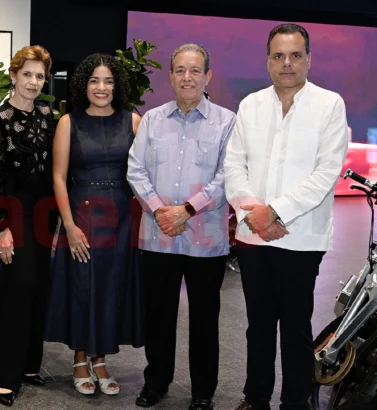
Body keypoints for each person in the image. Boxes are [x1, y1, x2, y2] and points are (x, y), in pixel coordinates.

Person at [223, 24, 349, 410]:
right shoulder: (251, 105)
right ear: (268, 61)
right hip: (253, 235)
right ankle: (255, 398)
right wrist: (255, 214)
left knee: (295, 326)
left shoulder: (329, 105)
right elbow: (234, 165)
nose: (287, 63)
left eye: (295, 55)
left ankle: (296, 401)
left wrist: (275, 212)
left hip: (302, 237)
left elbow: (326, 173)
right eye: (278, 56)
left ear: (308, 59)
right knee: (259, 324)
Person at [127, 43, 236, 410]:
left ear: (208, 76)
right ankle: (156, 382)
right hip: (158, 234)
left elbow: (228, 175)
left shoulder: (227, 122)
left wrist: (187, 210)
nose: (187, 77)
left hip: (206, 238)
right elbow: (135, 169)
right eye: (180, 70)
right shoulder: (152, 120)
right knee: (158, 315)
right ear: (171, 76)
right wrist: (161, 211)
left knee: (205, 318)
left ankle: (203, 392)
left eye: (195, 70)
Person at [45, 53, 143, 397]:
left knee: (110, 288)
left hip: (121, 218)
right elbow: (59, 178)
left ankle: (100, 360)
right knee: (82, 286)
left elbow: (143, 173)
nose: (102, 87)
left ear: (117, 86)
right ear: (83, 85)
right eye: (94, 80)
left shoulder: (133, 121)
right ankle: (79, 359)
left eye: (109, 81)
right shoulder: (68, 123)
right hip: (82, 216)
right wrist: (69, 226)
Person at [0, 45, 56, 407]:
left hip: (46, 215)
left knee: (39, 289)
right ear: (14, 75)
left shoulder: (49, 115)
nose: (33, 82)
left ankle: (28, 366)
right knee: (18, 290)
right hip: (15, 215)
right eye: (27, 74)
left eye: (39, 76)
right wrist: (1, 229)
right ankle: (5, 377)